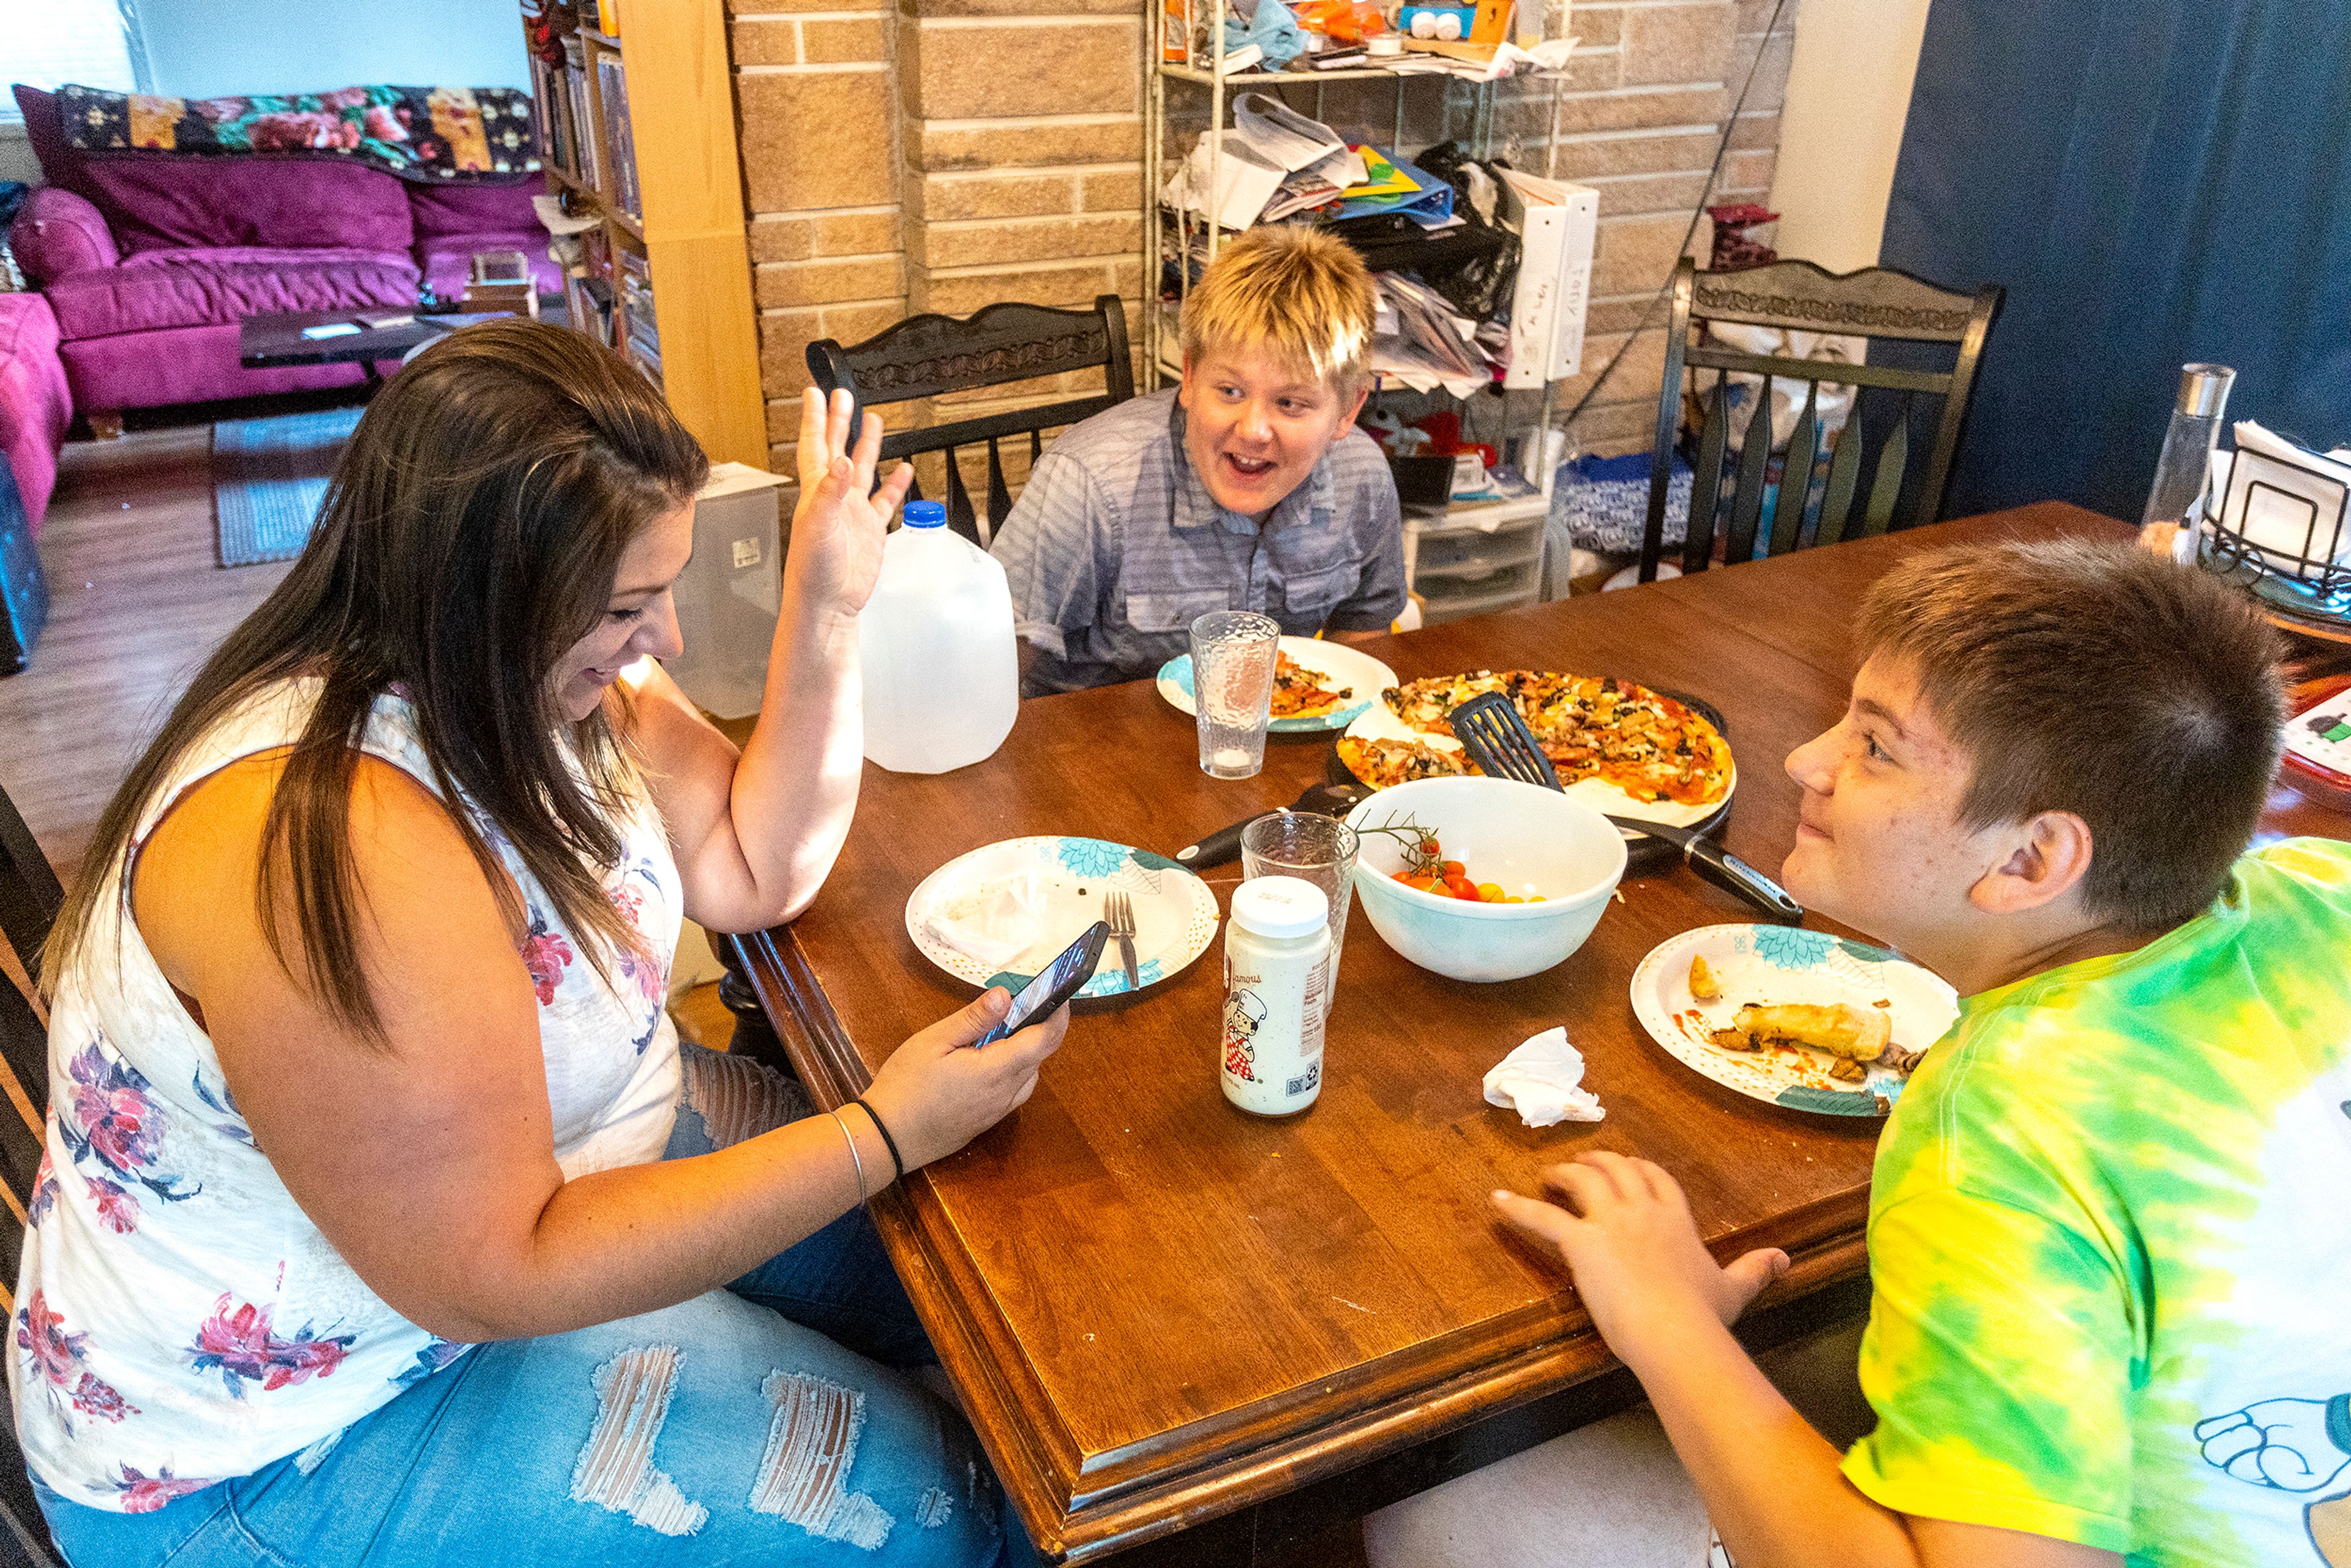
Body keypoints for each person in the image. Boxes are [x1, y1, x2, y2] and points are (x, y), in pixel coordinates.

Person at [15, 320, 1066, 1567]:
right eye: (628, 603)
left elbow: (751, 867)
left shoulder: (538, 677)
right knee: (950, 1505)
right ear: (484, 593)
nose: (668, 637)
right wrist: (880, 1131)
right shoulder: (333, 845)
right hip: (307, 1424)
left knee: (980, 1296)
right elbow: (495, 1267)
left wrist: (829, 598)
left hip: (539, 1184)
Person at [1486, 540, 2351, 1567]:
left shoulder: (1995, 1134)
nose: (1808, 762)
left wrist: (1670, 1321)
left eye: (1875, 747)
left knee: (1454, 1494)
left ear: (2031, 859)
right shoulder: (2320, 886)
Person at [989, 226, 1406, 696]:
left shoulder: (1363, 476)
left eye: (1290, 403)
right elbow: (978, 678)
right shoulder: (1089, 484)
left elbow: (1362, 640)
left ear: (1347, 410)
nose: (1253, 430)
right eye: (1230, 391)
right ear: (1189, 376)